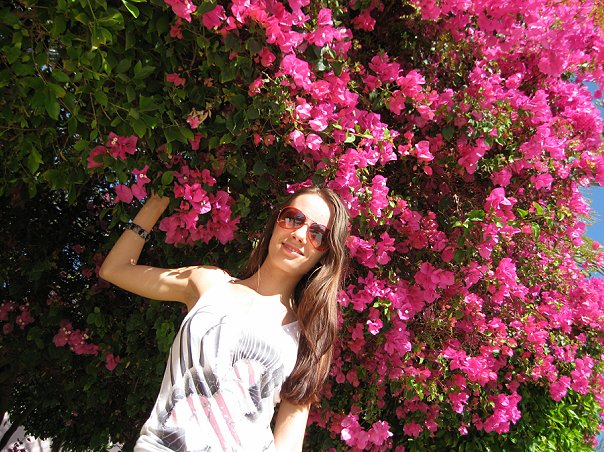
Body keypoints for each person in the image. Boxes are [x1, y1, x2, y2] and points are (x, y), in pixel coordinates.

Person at [99, 186, 350, 451]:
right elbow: (115, 269)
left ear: (325, 253)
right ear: (276, 223)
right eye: (293, 218)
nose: (299, 234)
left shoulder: (307, 336)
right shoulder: (209, 283)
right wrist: (156, 202)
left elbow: (288, 443)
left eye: (317, 234)